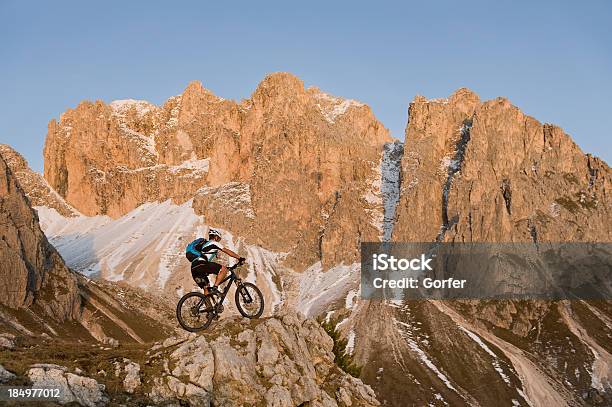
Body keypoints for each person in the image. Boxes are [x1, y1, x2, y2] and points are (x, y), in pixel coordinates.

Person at [186, 228, 245, 295]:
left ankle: (207, 303)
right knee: (224, 270)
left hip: (194, 267)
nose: (218, 241)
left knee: (206, 289)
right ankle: (215, 288)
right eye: (219, 239)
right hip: (201, 264)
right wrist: (239, 258)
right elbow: (227, 251)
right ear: (216, 237)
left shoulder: (204, 246)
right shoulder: (213, 243)